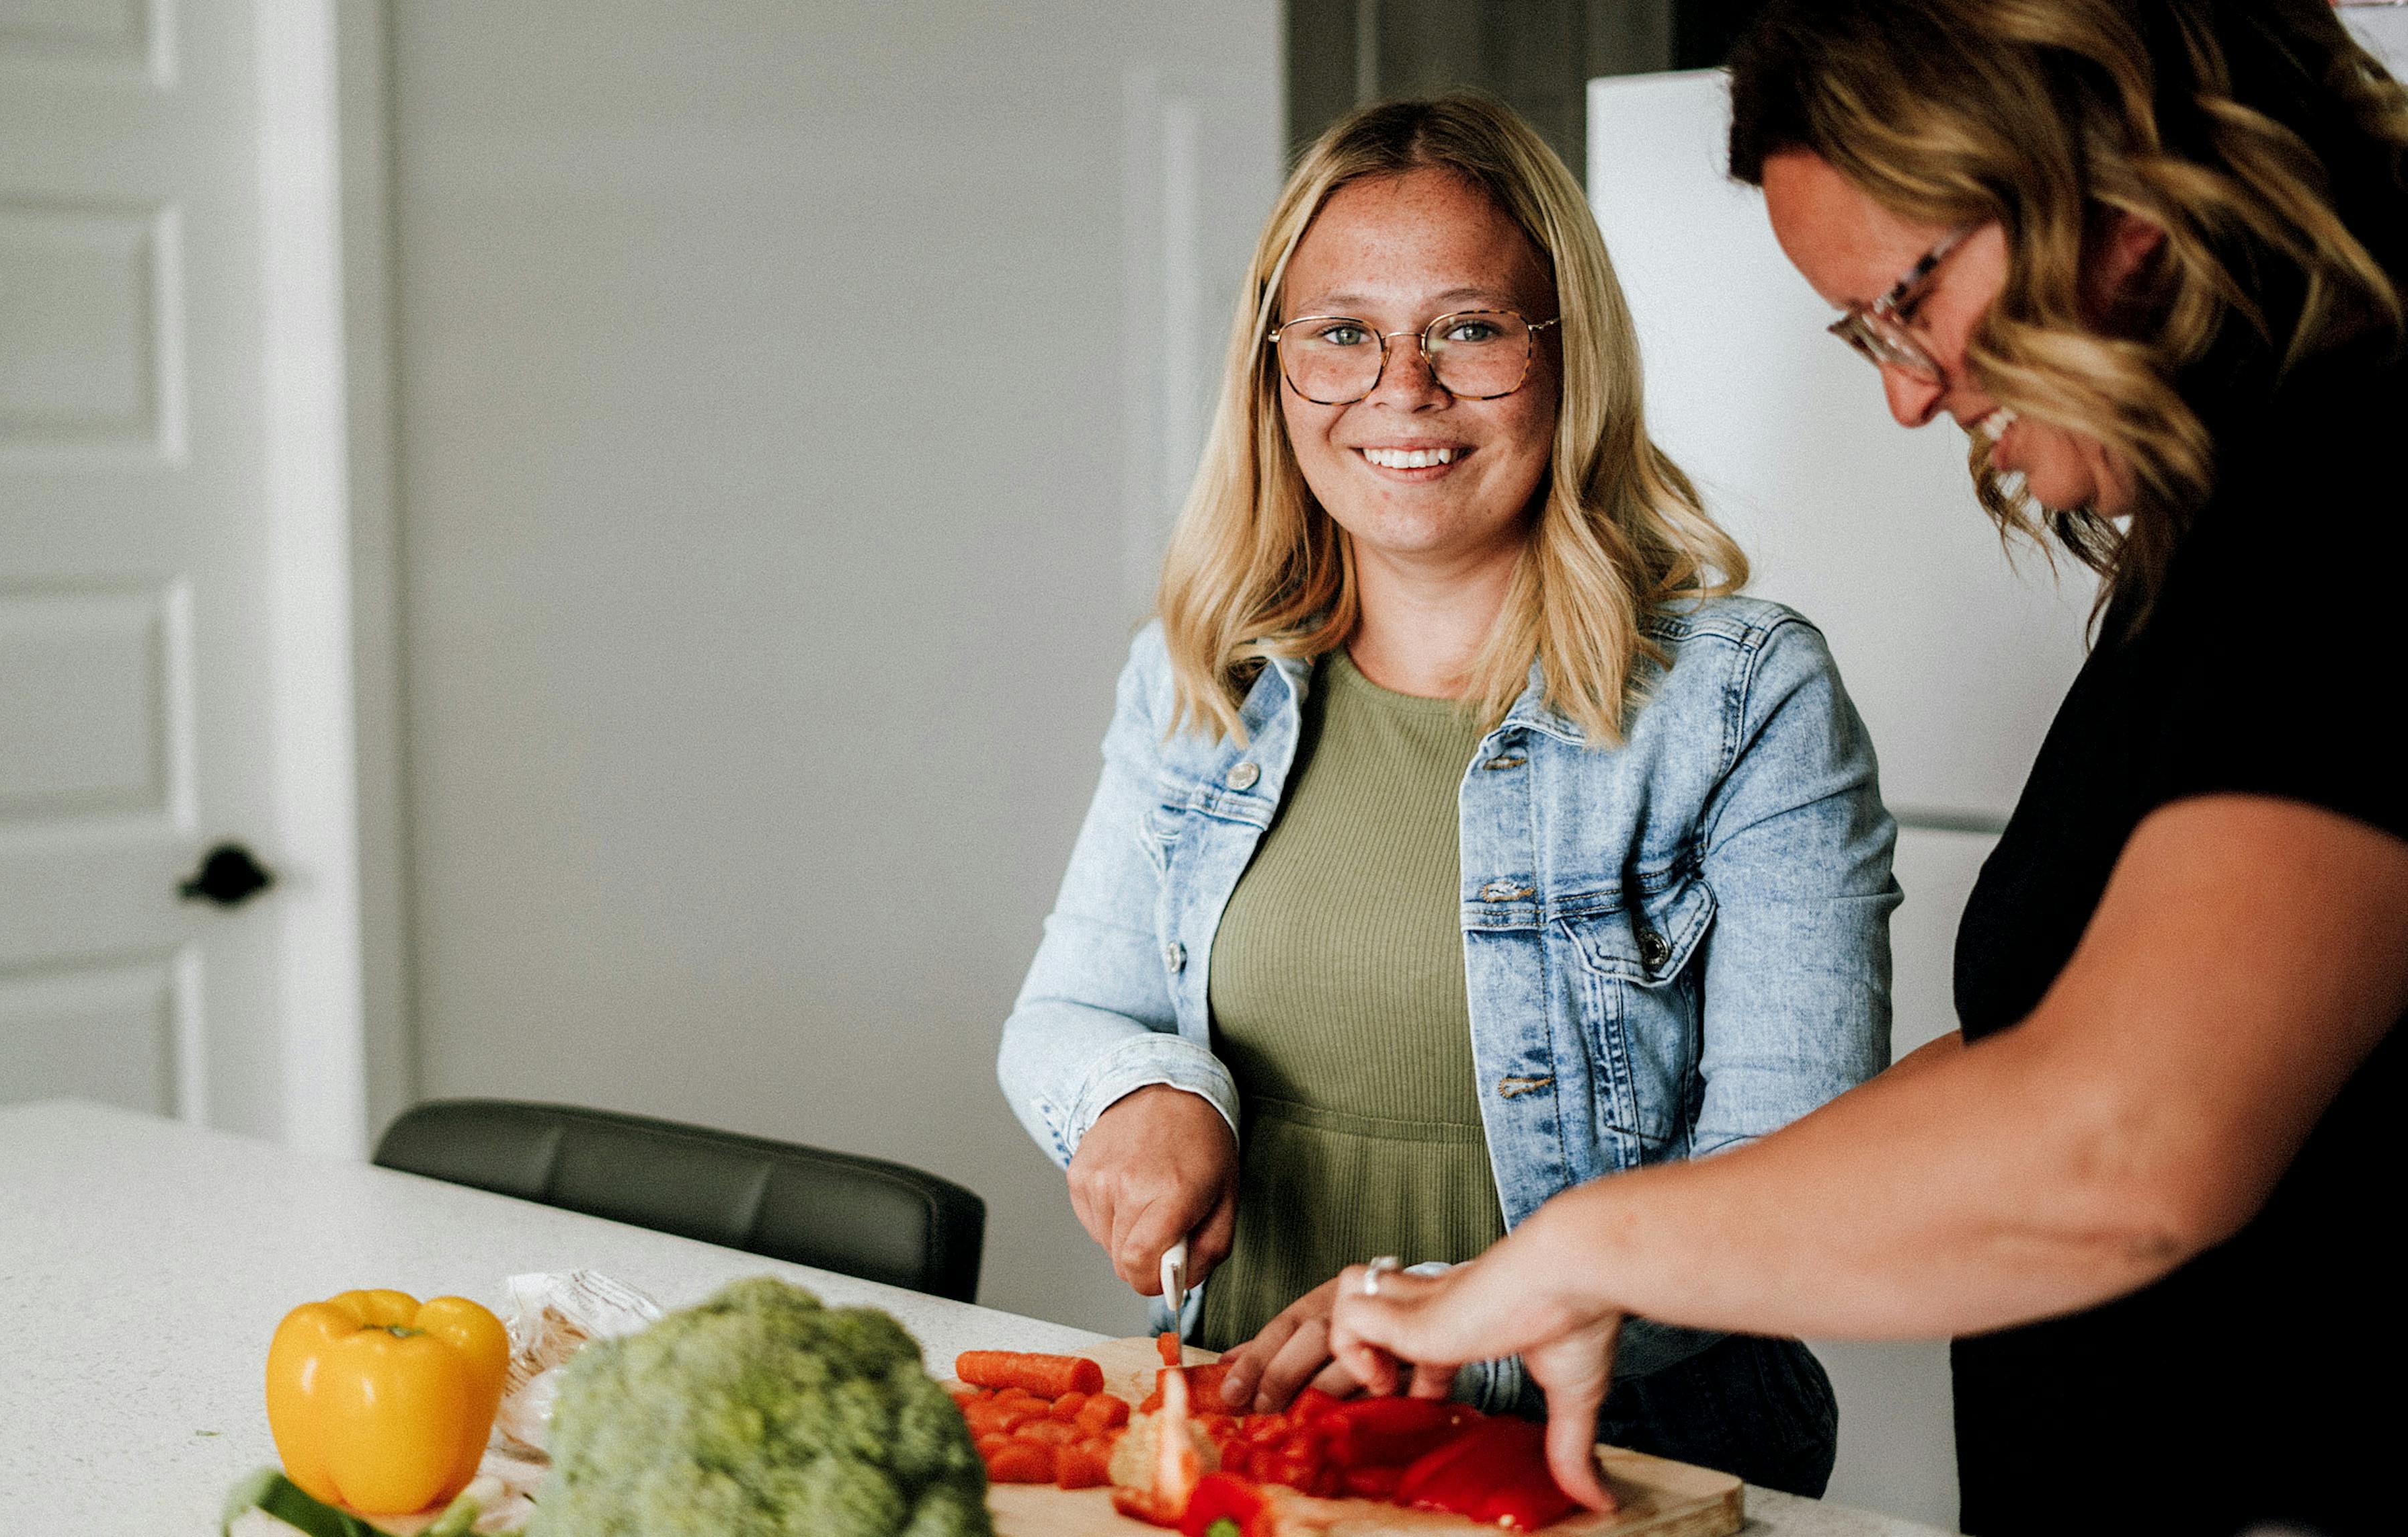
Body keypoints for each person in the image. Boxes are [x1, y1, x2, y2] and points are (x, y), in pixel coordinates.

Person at [1323, 6, 2408, 1535]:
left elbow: (2129, 1141)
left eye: (1907, 302)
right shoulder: (2236, 528)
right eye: (1870, 336)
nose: (1910, 393)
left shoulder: (2360, 495)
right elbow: (2032, 1054)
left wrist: (1585, 1253)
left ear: (2111, 185)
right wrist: (1597, 1259)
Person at [995, 93, 1898, 1495]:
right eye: (1344, 332)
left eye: (1468, 328)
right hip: (1263, 1457)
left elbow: (1792, 1183)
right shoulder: (1200, 678)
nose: (1402, 388)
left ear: (1561, 353)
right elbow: (1064, 1015)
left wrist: (1458, 1336)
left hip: (1618, 1478)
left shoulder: (1742, 698)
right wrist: (1137, 1094)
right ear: (1276, 369)